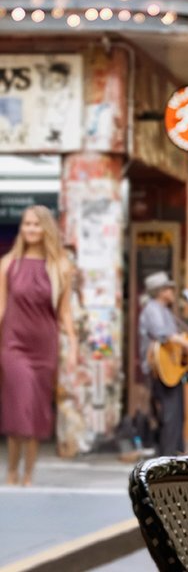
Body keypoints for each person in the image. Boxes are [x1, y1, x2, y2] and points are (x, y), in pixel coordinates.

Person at [0, 206, 78, 486]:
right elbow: (1, 306)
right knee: (18, 405)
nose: (30, 229)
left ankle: (28, 475)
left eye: (35, 224)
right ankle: (11, 470)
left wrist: (73, 347)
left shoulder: (60, 267)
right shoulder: (8, 264)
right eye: (26, 224)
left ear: (46, 228)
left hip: (44, 345)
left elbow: (65, 311)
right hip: (13, 344)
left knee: (35, 410)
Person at [139, 271, 188, 457]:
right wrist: (185, 342)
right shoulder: (152, 309)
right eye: (169, 288)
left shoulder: (164, 310)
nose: (172, 291)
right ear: (160, 291)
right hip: (161, 368)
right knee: (169, 413)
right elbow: (161, 334)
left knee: (176, 412)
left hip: (171, 368)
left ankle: (174, 451)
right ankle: (167, 454)